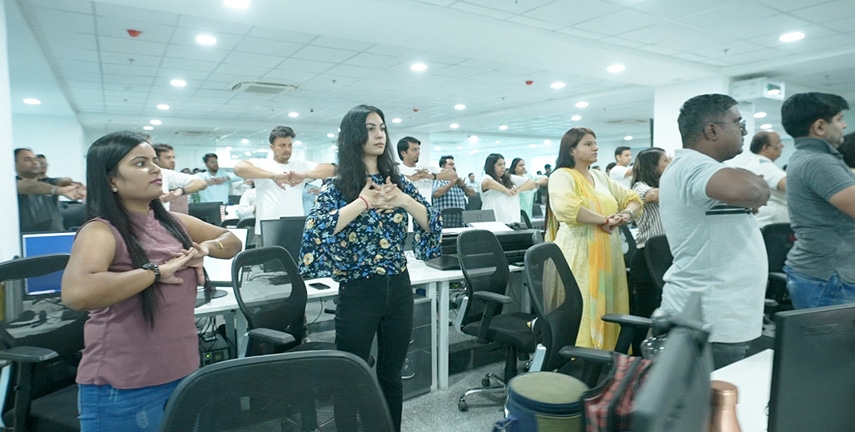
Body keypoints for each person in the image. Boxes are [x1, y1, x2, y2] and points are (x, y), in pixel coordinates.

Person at [61, 131, 241, 431]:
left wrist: (205, 249)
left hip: (183, 375)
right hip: (125, 386)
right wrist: (155, 272)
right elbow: (77, 293)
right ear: (111, 180)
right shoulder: (101, 231)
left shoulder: (173, 223)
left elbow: (232, 240)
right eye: (141, 163)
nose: (156, 170)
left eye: (155, 162)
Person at [299, 105, 440, 432]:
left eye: (382, 128)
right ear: (354, 136)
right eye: (370, 128)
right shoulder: (338, 186)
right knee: (349, 375)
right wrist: (362, 202)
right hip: (358, 291)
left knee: (391, 376)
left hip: (398, 287)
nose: (379, 135)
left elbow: (431, 221)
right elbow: (315, 231)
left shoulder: (398, 182)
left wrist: (404, 201)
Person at [659, 94, 770, 369]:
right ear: (712, 130)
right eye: (737, 122)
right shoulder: (691, 166)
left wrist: (754, 190)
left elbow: (750, 193)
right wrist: (758, 187)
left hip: (722, 314)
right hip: (709, 318)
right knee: (704, 407)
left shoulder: (705, 169)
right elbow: (752, 190)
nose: (743, 130)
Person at [545, 128, 642, 350]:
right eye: (588, 144)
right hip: (579, 252)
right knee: (583, 304)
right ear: (571, 150)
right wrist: (603, 220)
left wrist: (625, 214)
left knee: (608, 303)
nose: (595, 147)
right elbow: (566, 208)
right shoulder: (561, 176)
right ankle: (579, 358)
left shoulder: (599, 176)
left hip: (608, 252)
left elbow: (633, 198)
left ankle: (606, 355)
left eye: (595, 143)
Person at [781, 92, 855, 308]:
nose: (844, 125)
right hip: (830, 276)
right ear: (820, 127)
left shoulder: (811, 158)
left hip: (825, 273)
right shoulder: (819, 162)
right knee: (834, 343)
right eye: (840, 119)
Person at [233, 126, 335, 241]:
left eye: (289, 145)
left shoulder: (300, 166)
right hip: (267, 229)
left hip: (295, 228)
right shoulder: (262, 165)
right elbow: (238, 168)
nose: (287, 149)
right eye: (282, 145)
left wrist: (304, 175)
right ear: (272, 147)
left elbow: (330, 170)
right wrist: (274, 176)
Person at [628, 147, 670, 319]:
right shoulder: (639, 187)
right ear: (653, 167)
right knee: (646, 315)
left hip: (665, 256)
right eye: (665, 161)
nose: (669, 164)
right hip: (648, 259)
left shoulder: (665, 187)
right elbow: (652, 196)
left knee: (664, 310)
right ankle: (638, 346)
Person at [15, 148, 86, 233]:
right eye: (27, 159)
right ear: (14, 164)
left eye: (35, 159)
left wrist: (74, 185)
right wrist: (58, 190)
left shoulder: (49, 182)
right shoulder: (11, 185)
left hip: (55, 236)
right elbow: (29, 187)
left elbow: (62, 181)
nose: (34, 162)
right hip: (26, 239)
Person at [730, 131, 789, 227]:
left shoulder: (758, 163)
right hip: (772, 226)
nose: (782, 146)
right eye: (778, 142)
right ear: (766, 148)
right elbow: (789, 185)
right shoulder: (762, 165)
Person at [480, 153, 536, 225]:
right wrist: (506, 190)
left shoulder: (509, 178)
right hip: (493, 223)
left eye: (504, 164)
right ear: (491, 166)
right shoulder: (486, 177)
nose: (503, 167)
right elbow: (488, 183)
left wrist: (518, 190)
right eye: (499, 164)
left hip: (512, 222)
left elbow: (531, 183)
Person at [152, 143, 207, 213]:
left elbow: (201, 182)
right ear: (156, 159)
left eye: (173, 157)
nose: (172, 161)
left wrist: (181, 191)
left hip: (172, 219)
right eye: (168, 158)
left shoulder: (167, 174)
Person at [396, 136, 455, 200]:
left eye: (418, 149)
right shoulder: (397, 170)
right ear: (403, 153)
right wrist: (410, 178)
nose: (418, 152)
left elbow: (453, 174)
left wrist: (432, 176)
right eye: (414, 150)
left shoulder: (426, 168)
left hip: (426, 208)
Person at [432, 155, 475, 227]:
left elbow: (472, 194)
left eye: (454, 164)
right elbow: (436, 193)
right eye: (451, 164)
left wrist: (463, 185)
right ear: (442, 167)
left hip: (460, 223)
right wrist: (451, 184)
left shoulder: (460, 181)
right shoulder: (437, 180)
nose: (454, 167)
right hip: (442, 223)